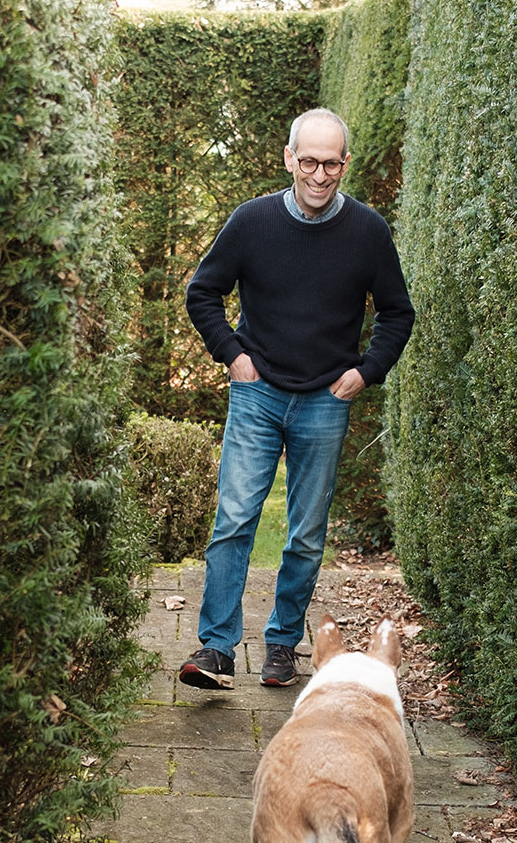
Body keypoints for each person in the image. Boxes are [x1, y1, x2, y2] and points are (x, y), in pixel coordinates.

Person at [178, 107, 415, 689]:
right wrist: (234, 357)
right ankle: (217, 649)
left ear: (345, 164)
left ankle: (282, 645)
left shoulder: (367, 232)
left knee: (307, 534)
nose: (318, 174)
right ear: (289, 158)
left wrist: (366, 371)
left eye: (330, 163)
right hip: (257, 394)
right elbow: (202, 291)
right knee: (235, 519)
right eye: (307, 161)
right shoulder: (252, 222)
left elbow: (397, 313)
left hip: (324, 401)